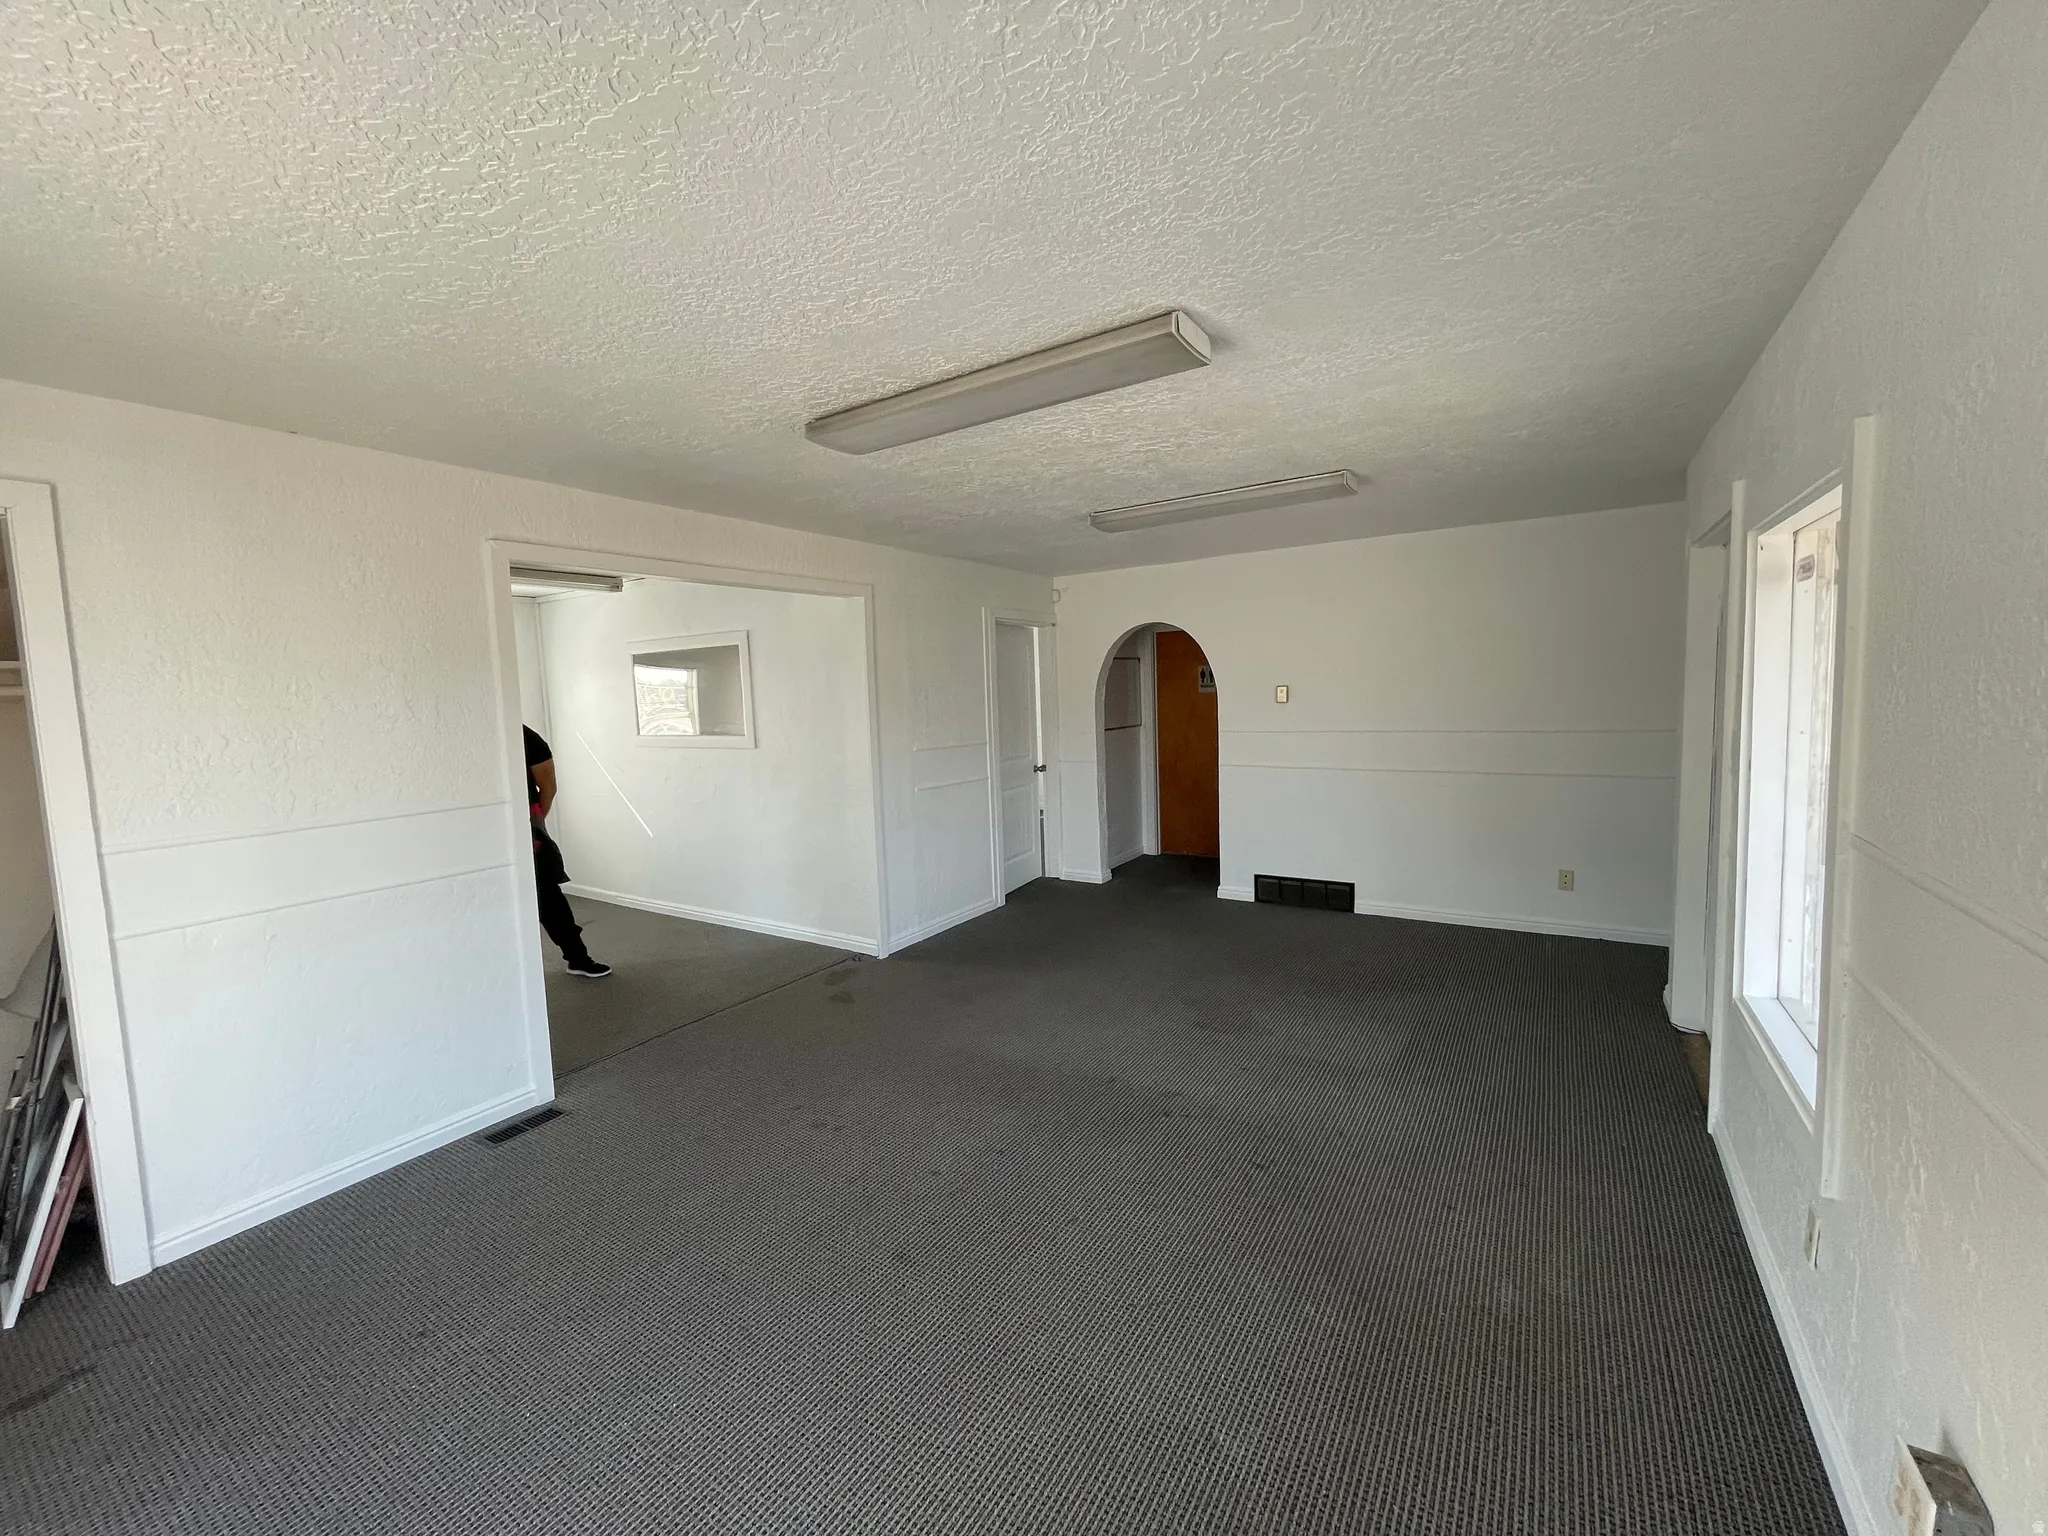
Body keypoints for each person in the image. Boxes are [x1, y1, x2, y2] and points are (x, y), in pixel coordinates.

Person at [524, 726, 611, 978]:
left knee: (546, 893)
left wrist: (534, 822)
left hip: (527, 825)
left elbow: (548, 787)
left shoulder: (527, 739)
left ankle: (578, 958)